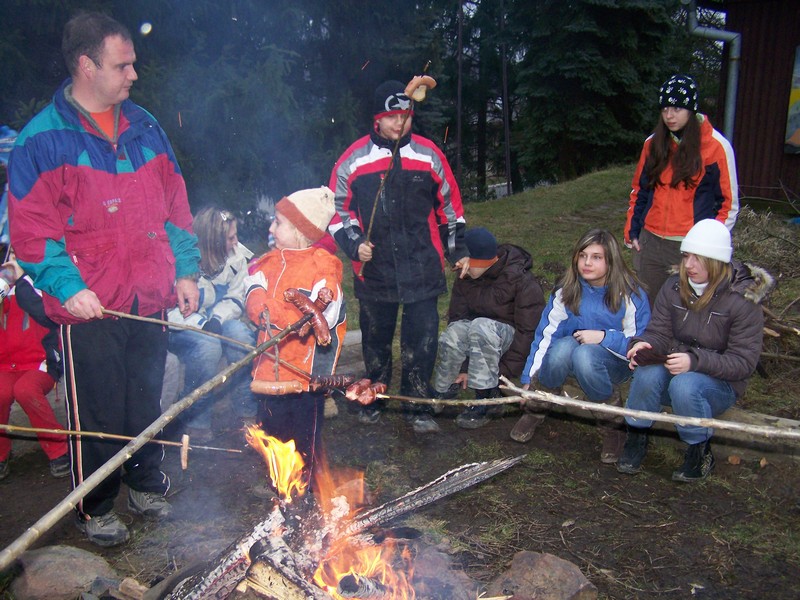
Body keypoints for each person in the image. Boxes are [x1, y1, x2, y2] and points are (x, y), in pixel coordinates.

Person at [7, 12, 200, 546]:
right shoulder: (40, 142)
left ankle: (144, 481)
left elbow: (175, 207)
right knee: (97, 410)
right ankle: (95, 505)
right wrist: (69, 288)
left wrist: (185, 268)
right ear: (87, 66)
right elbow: (34, 235)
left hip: (147, 295)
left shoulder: (145, 126)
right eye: (123, 64)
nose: (134, 74)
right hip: (90, 306)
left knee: (144, 399)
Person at [328, 79, 468, 434]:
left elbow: (450, 208)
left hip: (423, 264)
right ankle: (372, 397)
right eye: (391, 117)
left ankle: (416, 404)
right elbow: (336, 210)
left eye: (405, 116)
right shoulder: (354, 159)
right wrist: (354, 242)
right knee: (376, 340)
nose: (399, 124)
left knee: (421, 341)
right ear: (377, 119)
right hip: (374, 268)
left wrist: (457, 252)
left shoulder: (428, 154)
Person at [617, 219, 769, 482]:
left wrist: (694, 361)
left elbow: (744, 362)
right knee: (646, 373)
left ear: (717, 261)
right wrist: (644, 344)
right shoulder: (674, 286)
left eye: (698, 259)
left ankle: (699, 450)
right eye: (686, 256)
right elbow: (659, 332)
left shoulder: (744, 301)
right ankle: (636, 437)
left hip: (719, 386)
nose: (688, 265)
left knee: (685, 386)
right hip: (676, 369)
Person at [513, 229, 651, 464]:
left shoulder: (630, 294)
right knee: (560, 351)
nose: (587, 263)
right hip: (573, 353)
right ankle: (537, 407)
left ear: (611, 260)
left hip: (615, 362)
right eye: (582, 255)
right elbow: (546, 334)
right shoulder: (566, 289)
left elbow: (638, 344)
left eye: (596, 257)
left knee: (585, 355)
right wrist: (528, 378)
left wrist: (603, 337)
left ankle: (612, 425)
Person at [245, 186, 346, 487]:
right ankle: (280, 486)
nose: (270, 227)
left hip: (305, 378)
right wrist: (274, 310)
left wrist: (272, 310)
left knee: (304, 440)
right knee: (272, 432)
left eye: (278, 222)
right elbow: (252, 301)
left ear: (301, 230)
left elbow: (317, 317)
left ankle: (306, 493)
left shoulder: (324, 267)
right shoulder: (267, 263)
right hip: (268, 372)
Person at [624, 74, 739, 306]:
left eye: (676, 108)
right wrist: (632, 231)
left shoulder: (716, 147)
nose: (669, 115)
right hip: (650, 242)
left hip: (690, 245)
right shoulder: (652, 144)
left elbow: (728, 204)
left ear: (692, 109)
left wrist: (706, 247)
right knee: (648, 306)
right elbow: (640, 190)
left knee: (687, 307)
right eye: (664, 108)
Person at [431, 227, 544, 429]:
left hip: (507, 344)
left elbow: (529, 334)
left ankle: (486, 399)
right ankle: (444, 389)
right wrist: (466, 368)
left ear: (480, 262)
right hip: (479, 338)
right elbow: (458, 318)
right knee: (455, 331)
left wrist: (501, 374)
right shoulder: (465, 277)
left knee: (481, 326)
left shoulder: (521, 280)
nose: (459, 266)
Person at [166, 206, 257, 441]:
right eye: (230, 238)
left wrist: (217, 318)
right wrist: (201, 324)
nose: (236, 242)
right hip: (180, 326)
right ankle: (196, 420)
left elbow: (237, 295)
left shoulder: (237, 258)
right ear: (212, 241)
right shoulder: (180, 261)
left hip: (215, 319)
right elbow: (170, 309)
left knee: (240, 337)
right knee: (208, 346)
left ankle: (247, 413)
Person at [0, 250, 69, 480]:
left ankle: (59, 450)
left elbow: (45, 315)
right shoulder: (4, 285)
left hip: (40, 363)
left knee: (26, 390)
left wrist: (20, 281)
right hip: (6, 364)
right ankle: (1, 455)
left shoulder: (39, 281)